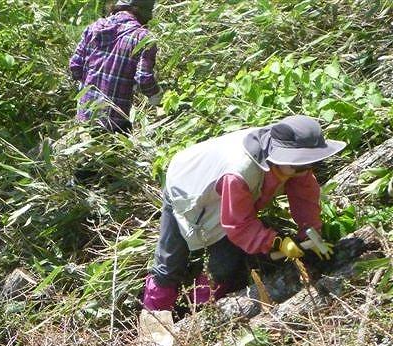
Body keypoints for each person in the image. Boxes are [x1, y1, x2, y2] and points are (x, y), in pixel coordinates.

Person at [142, 115, 347, 311]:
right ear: (281, 155)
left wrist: (311, 233)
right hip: (188, 189)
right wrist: (278, 242)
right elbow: (239, 225)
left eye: (308, 163)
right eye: (300, 164)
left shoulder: (294, 165)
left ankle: (199, 310)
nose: (305, 168)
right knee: (171, 262)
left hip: (226, 196)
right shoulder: (240, 172)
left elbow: (305, 198)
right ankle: (155, 310)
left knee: (223, 266)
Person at [69, 0, 162, 134]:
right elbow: (144, 79)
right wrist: (158, 97)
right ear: (142, 12)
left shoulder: (94, 27)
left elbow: (75, 67)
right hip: (114, 124)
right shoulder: (143, 38)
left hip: (85, 117)